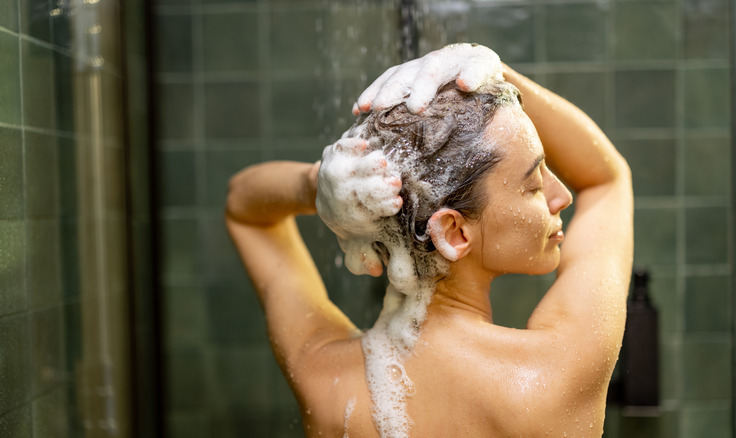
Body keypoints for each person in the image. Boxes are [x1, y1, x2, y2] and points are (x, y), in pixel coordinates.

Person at [225, 44, 633, 437]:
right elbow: (605, 179)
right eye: (534, 185)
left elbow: (243, 208)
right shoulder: (560, 370)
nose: (561, 196)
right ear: (453, 232)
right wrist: (496, 70)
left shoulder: (323, 376)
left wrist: (320, 184)